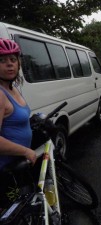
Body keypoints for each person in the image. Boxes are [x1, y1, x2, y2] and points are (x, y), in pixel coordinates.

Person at [0, 38, 37, 210]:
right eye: (2, 60)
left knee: (25, 208)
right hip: (5, 171)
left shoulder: (12, 88)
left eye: (13, 60)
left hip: (18, 166)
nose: (9, 65)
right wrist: (26, 150)